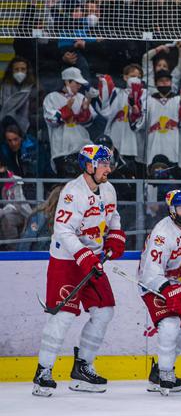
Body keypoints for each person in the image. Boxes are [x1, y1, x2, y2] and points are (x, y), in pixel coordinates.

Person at [32, 144, 126, 397]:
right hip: (66, 260)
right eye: (104, 164)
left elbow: (113, 216)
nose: (109, 168)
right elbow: (63, 231)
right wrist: (84, 255)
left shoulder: (108, 189)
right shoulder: (73, 193)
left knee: (105, 311)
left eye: (109, 163)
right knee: (63, 316)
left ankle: (83, 366)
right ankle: (43, 371)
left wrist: (115, 236)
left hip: (92, 259)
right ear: (89, 166)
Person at [138, 189, 181, 395]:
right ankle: (166, 372)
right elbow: (150, 272)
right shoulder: (162, 234)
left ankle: (159, 371)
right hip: (154, 284)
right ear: (172, 210)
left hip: (176, 284)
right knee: (170, 324)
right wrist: (167, 289)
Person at [43, 67, 95, 176]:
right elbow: (51, 119)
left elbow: (90, 121)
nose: (79, 86)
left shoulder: (81, 97)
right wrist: (66, 108)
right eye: (76, 83)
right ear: (67, 81)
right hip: (61, 150)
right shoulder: (51, 98)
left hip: (82, 148)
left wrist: (85, 108)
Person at [95, 63, 146, 172]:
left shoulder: (145, 94)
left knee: (132, 171)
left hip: (134, 140)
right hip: (116, 136)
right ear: (125, 77)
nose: (136, 79)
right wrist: (104, 84)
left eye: (139, 77)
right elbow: (105, 109)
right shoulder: (116, 93)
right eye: (133, 76)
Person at [145, 69, 181, 167]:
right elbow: (141, 123)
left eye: (167, 81)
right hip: (154, 143)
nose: (164, 83)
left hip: (173, 144)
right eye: (161, 81)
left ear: (171, 82)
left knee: (173, 171)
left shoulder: (178, 99)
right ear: (155, 83)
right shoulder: (148, 100)